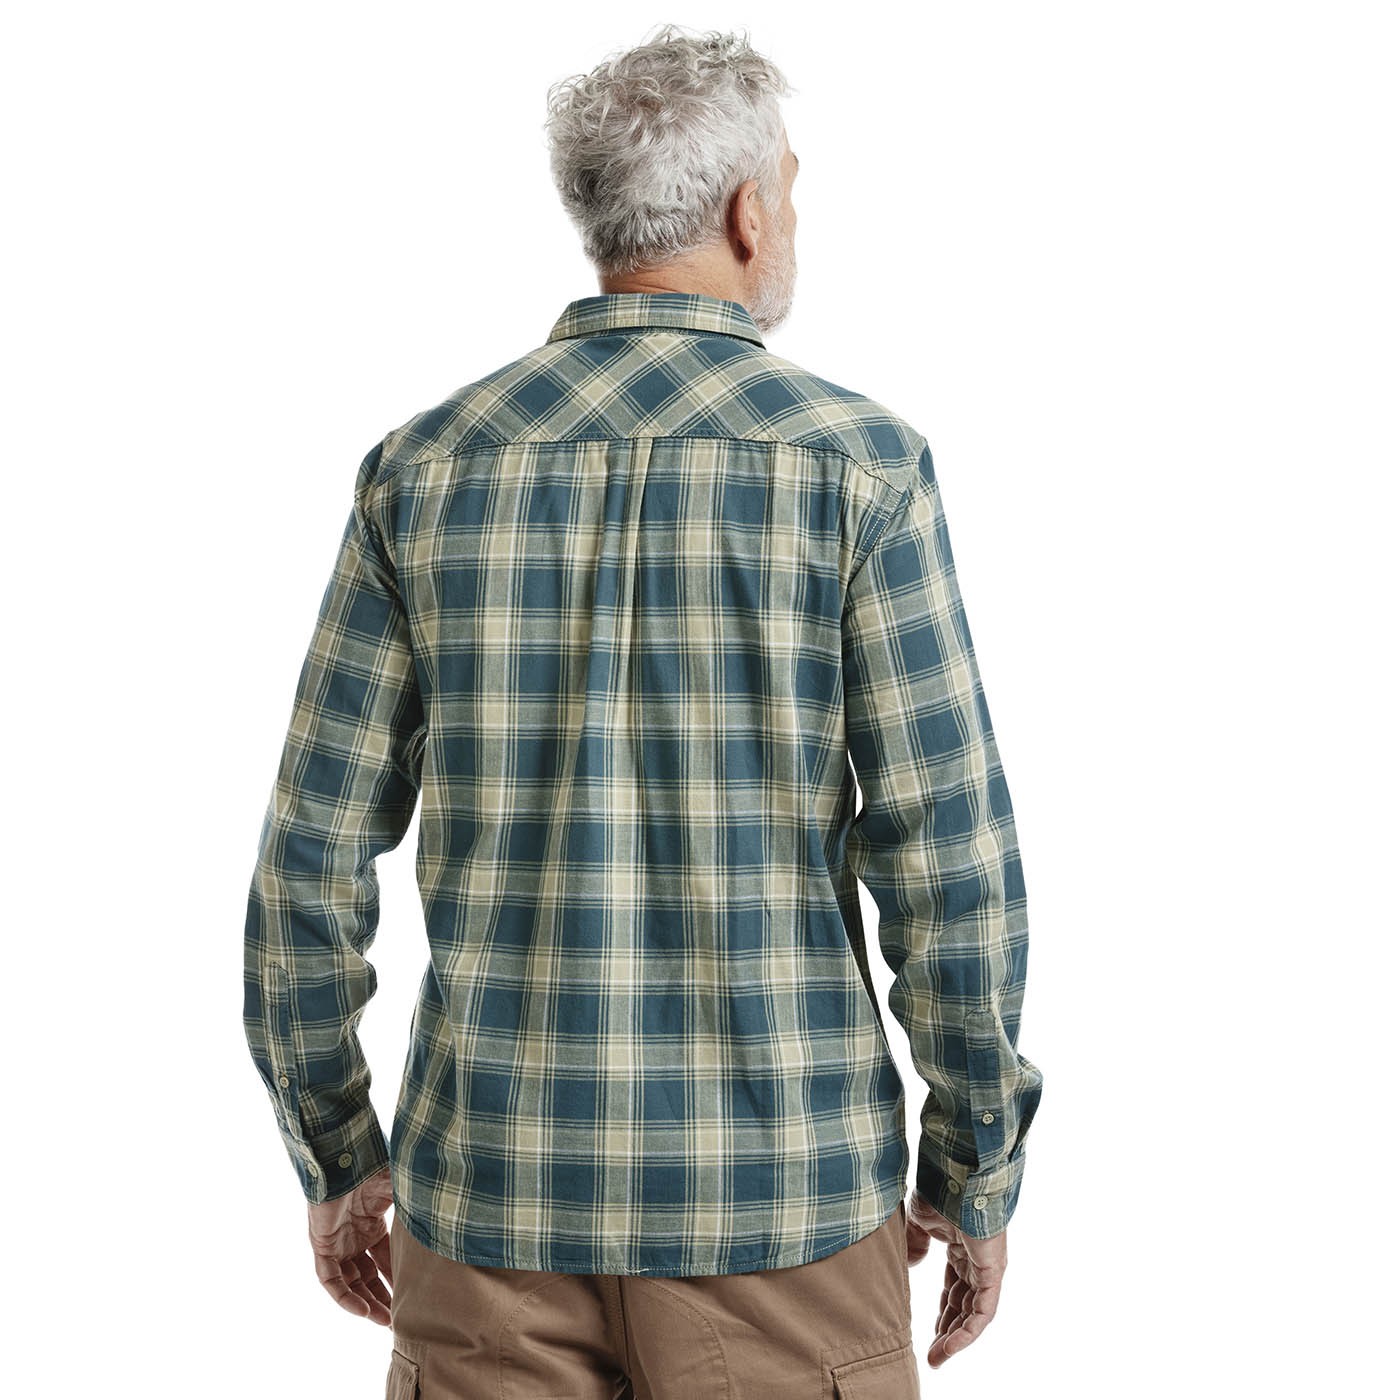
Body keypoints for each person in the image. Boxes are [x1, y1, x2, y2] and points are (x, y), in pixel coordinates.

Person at [242, 22, 1043, 1398]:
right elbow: (946, 855)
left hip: (487, 1213)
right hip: (784, 1218)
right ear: (746, 212)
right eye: (791, 187)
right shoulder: (860, 469)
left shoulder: (421, 473)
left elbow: (308, 860)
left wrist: (336, 1153)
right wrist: (974, 1169)